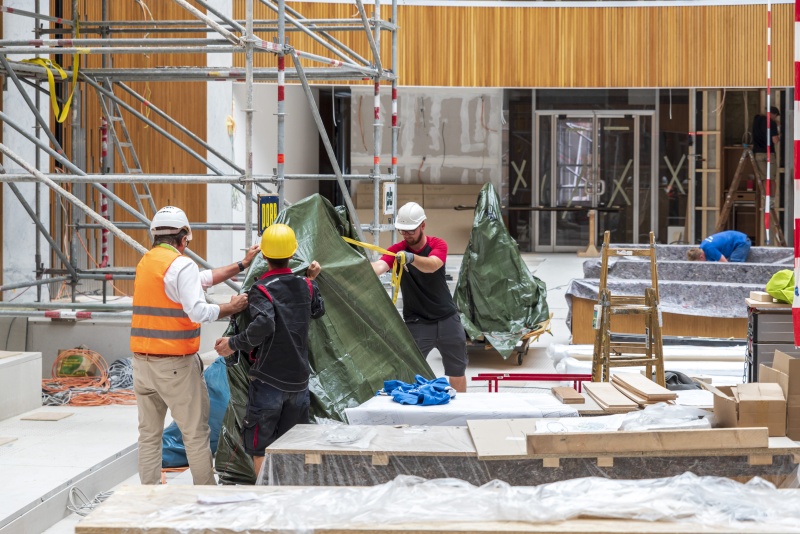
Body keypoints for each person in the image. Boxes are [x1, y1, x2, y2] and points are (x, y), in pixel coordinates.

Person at [131, 206, 260, 486]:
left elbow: (202, 279)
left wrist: (241, 265)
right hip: (174, 366)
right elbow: (198, 311)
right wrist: (231, 307)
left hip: (142, 366)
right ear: (183, 238)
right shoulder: (182, 264)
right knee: (195, 435)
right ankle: (205, 497)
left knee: (149, 436)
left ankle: (148, 497)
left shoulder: (147, 263)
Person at [214, 224, 325, 477]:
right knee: (294, 447)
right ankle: (291, 494)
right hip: (298, 382)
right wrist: (311, 280)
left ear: (263, 255)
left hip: (268, 382)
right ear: (293, 253)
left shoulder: (261, 289)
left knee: (261, 448)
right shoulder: (306, 286)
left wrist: (232, 343)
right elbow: (318, 311)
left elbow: (264, 324)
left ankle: (266, 497)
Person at [371, 202, 468, 393]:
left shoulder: (437, 244)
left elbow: (432, 265)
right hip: (417, 322)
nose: (406, 235)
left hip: (447, 319)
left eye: (411, 230)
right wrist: (355, 266)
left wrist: (411, 258)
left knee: (457, 372)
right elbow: (379, 267)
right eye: (402, 230)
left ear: (423, 225)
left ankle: (460, 407)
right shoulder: (397, 250)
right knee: (407, 372)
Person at [752, 106, 781, 209]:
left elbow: (764, 119)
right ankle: (771, 201)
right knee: (771, 179)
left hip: (758, 154)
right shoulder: (771, 123)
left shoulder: (756, 119)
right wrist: (779, 135)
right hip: (769, 154)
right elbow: (775, 141)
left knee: (765, 179)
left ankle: (766, 200)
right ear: (774, 115)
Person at [686, 230, 751, 263]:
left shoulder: (709, 249)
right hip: (738, 239)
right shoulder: (702, 247)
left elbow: (725, 263)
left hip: (741, 242)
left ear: (701, 257)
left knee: (734, 265)